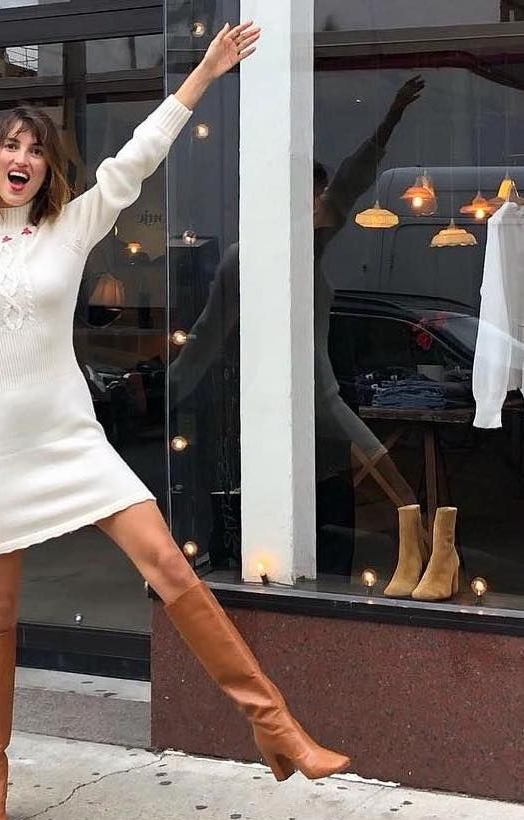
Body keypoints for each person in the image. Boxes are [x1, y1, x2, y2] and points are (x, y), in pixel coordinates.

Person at [0, 24, 350, 820]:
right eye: (9, 144)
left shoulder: (71, 228)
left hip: (73, 440)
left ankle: (276, 726)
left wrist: (202, 77)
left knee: (168, 566)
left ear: (47, 168)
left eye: (35, 149)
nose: (21, 157)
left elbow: (136, 159)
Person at [169, 76, 426, 577]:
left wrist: (392, 119)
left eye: (318, 196)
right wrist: (167, 391)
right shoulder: (244, 260)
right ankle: (414, 560)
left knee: (353, 488)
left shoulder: (311, 245)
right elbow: (204, 338)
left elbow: (352, 178)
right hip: (281, 405)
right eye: (306, 195)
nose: (316, 204)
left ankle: (417, 561)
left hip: (321, 396)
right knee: (376, 480)